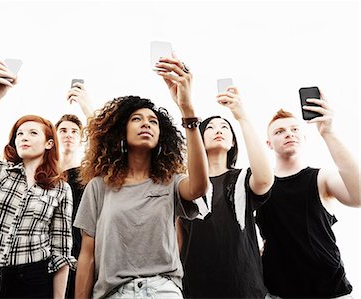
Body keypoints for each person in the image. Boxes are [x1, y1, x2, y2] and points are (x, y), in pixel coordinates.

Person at [73, 55, 208, 299]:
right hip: (114, 293)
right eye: (137, 119)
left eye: (153, 121)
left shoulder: (171, 181)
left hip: (163, 289)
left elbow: (198, 187)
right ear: (121, 133)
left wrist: (187, 111)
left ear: (161, 136)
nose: (146, 124)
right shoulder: (98, 187)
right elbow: (87, 255)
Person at [0, 60, 74, 299]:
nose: (23, 137)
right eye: (19, 133)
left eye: (32, 132)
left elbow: (61, 252)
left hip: (30, 280)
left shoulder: (60, 189)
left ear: (49, 143)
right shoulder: (0, 173)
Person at [256, 90, 360, 298]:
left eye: (295, 129)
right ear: (268, 143)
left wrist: (328, 133)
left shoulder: (321, 178)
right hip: (277, 290)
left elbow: (358, 197)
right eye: (279, 131)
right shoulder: (260, 184)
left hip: (327, 288)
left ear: (304, 137)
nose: (289, 133)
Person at [177, 86, 274, 298]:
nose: (218, 130)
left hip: (245, 287)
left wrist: (241, 117)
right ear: (199, 138)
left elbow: (266, 179)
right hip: (196, 288)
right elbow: (178, 241)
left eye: (224, 127)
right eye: (210, 127)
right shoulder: (184, 186)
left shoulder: (243, 178)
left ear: (233, 142)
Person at [55, 81, 93, 299]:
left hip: (79, 261)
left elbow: (111, 143)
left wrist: (85, 105)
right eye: (62, 130)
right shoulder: (43, 177)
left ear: (81, 139)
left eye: (74, 131)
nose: (68, 134)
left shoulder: (87, 176)